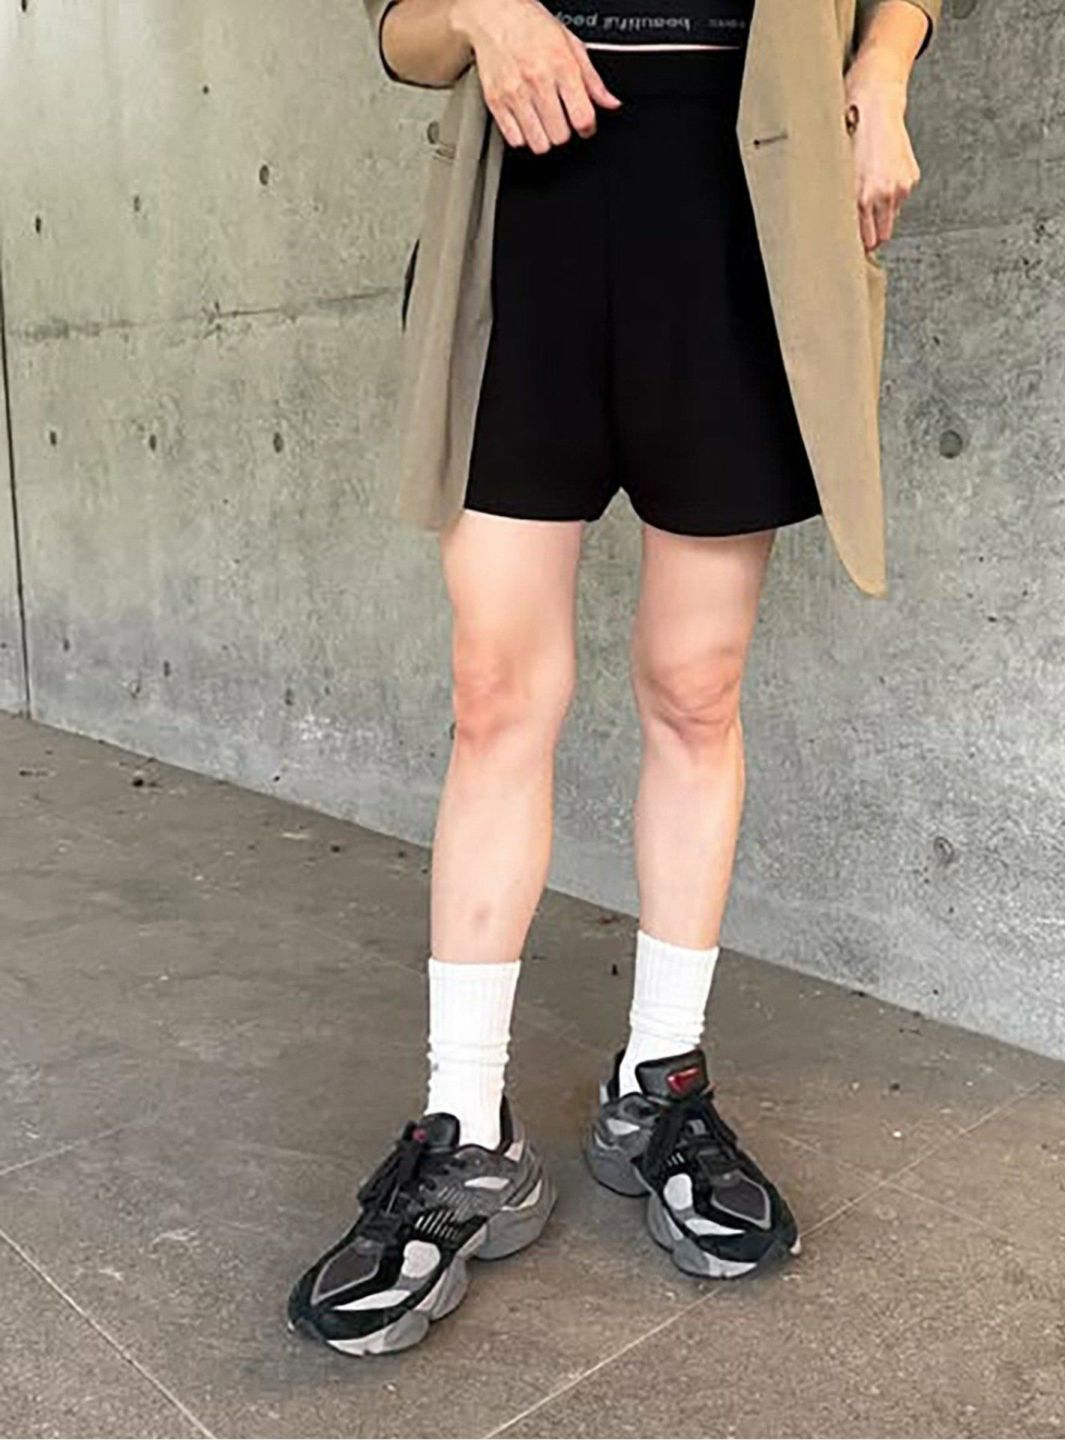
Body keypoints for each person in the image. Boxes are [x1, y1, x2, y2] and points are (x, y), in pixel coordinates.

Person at [288, 0, 940, 1356]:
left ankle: (660, 1084)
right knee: (495, 695)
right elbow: (401, 33)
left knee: (697, 690)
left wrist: (883, 67)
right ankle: (465, 1126)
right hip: (526, 221)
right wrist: (486, 11)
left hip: (740, 217)